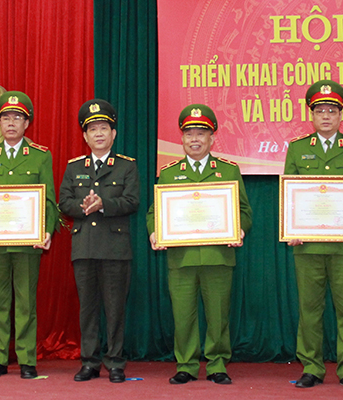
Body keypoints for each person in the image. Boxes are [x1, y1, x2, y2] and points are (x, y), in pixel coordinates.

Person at [146, 104, 252, 385]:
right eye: (189, 133)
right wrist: (155, 232)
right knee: (183, 316)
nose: (195, 139)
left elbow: (244, 210)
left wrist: (240, 229)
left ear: (212, 138)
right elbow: (154, 212)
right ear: (181, 139)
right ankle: (186, 365)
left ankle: (218, 364)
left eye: (201, 133)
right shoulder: (169, 173)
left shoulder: (228, 171)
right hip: (181, 258)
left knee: (218, 316)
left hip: (218, 256)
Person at [284, 80, 343, 390]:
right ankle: (311, 367)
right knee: (309, 310)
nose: (325, 116)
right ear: (311, 115)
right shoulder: (297, 148)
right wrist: (290, 227)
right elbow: (288, 197)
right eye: (320, 111)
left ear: (341, 115)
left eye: (332, 111)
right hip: (307, 245)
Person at [0, 91, 58, 379]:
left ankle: (27, 359)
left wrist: (46, 230)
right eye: (5, 117)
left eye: (17, 118)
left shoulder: (41, 156)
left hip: (28, 243)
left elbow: (49, 200)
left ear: (26, 123)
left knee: (25, 302)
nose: (10, 123)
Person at [59, 99, 140, 383]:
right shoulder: (74, 167)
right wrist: (83, 206)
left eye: (104, 128)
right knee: (88, 309)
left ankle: (115, 362)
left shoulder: (126, 166)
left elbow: (132, 201)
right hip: (84, 247)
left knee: (115, 309)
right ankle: (90, 362)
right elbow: (64, 202)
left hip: (115, 248)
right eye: (92, 129)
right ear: (85, 136)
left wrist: (103, 204)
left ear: (113, 134)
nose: (99, 134)